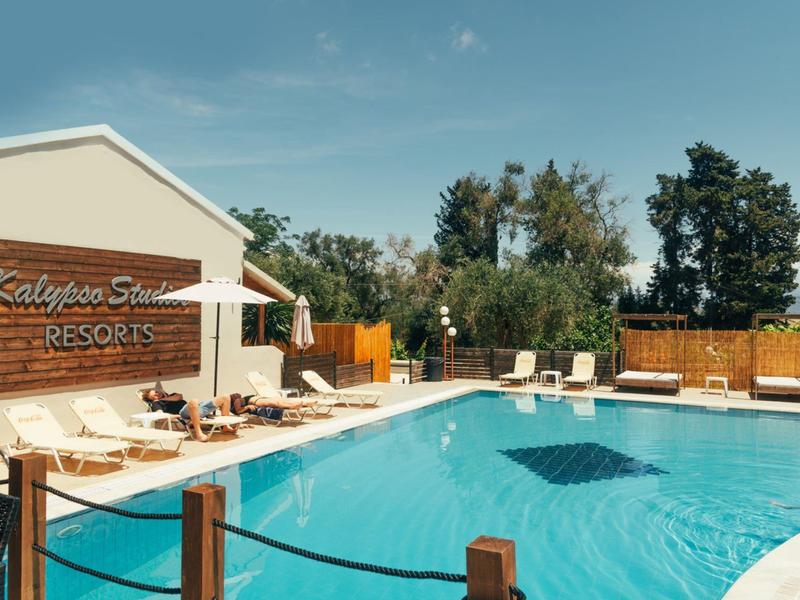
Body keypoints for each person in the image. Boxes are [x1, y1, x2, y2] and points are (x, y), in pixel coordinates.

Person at [142, 389, 237, 442]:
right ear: (152, 399)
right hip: (184, 412)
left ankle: (225, 426)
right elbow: (161, 417)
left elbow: (179, 396)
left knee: (225, 397)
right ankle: (199, 434)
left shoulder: (171, 396)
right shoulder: (156, 403)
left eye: (157, 392)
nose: (157, 395)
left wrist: (166, 397)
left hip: (197, 408)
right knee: (193, 401)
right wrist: (178, 416)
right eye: (154, 395)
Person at [232, 393, 317, 421]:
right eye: (233, 394)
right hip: (256, 401)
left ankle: (305, 403)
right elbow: (239, 411)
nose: (235, 393)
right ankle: (292, 406)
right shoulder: (237, 400)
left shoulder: (239, 398)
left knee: (282, 400)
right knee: (277, 403)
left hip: (260, 399)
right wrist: (248, 407)